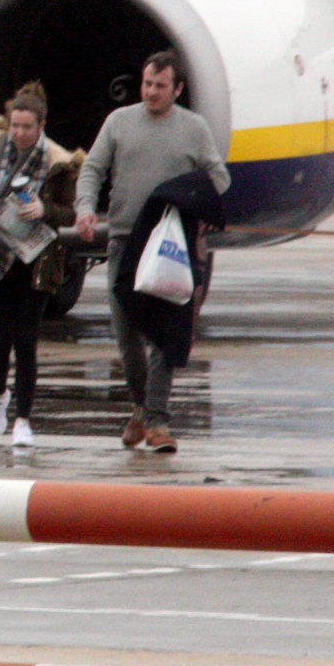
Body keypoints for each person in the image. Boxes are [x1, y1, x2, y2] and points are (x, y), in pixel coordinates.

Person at [75, 52, 230, 454]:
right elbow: (92, 168)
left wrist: (188, 200)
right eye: (147, 84)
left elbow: (219, 178)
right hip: (125, 242)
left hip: (171, 246)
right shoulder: (119, 122)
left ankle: (157, 421)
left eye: (160, 86)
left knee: (164, 336)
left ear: (177, 89)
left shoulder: (194, 128)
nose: (151, 92)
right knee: (127, 336)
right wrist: (85, 208)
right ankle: (141, 408)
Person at [0, 85, 81, 448]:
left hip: (35, 261)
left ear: (41, 125)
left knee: (26, 342)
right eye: (15, 125)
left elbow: (69, 212)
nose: (20, 133)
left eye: (27, 126)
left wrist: (47, 211)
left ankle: (24, 419)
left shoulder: (58, 163)